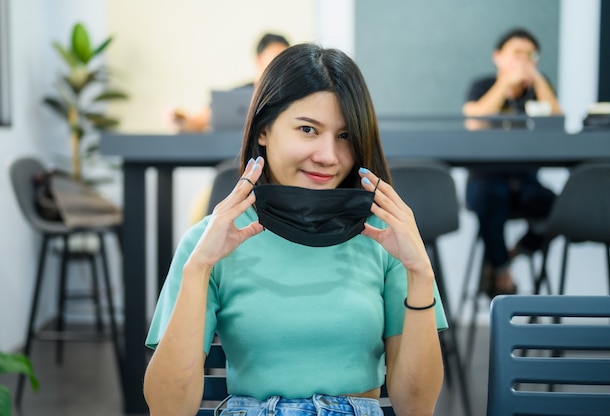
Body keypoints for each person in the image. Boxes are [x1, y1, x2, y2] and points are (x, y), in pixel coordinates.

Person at [144, 43, 448, 416]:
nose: (328, 156)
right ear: (264, 130)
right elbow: (167, 409)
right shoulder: (209, 243)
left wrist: (420, 273)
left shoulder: (387, 241)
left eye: (345, 136)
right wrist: (198, 268)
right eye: (308, 129)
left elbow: (416, 407)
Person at [462, 28, 561, 297]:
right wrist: (505, 84)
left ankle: (505, 258)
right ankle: (503, 273)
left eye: (531, 55)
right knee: (489, 202)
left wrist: (538, 81)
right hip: (486, 177)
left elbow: (557, 125)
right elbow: (474, 121)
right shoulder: (483, 86)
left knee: (557, 209)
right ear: (498, 57)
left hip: (526, 179)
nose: (524, 59)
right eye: (517, 53)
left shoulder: (540, 90)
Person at [173, 32, 290, 132]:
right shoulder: (235, 96)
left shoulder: (290, 95)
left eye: (285, 60)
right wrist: (180, 121)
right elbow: (196, 122)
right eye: (276, 57)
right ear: (259, 59)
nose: (280, 64)